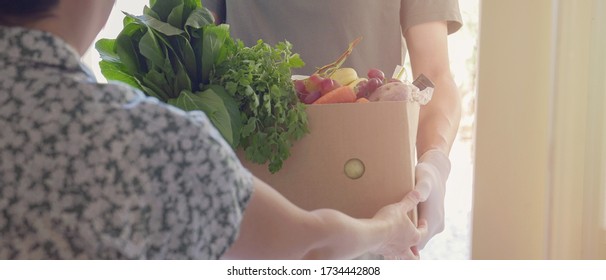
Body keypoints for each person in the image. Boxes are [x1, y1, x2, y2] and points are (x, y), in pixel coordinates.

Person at [0, 0, 427, 260]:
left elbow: (434, 74)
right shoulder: (153, 143)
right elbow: (304, 242)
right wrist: (387, 229)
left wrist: (434, 160)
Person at [205, 0, 463, 251]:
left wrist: (435, 161)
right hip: (248, 204)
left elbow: (434, 74)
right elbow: (196, 46)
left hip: (368, 208)